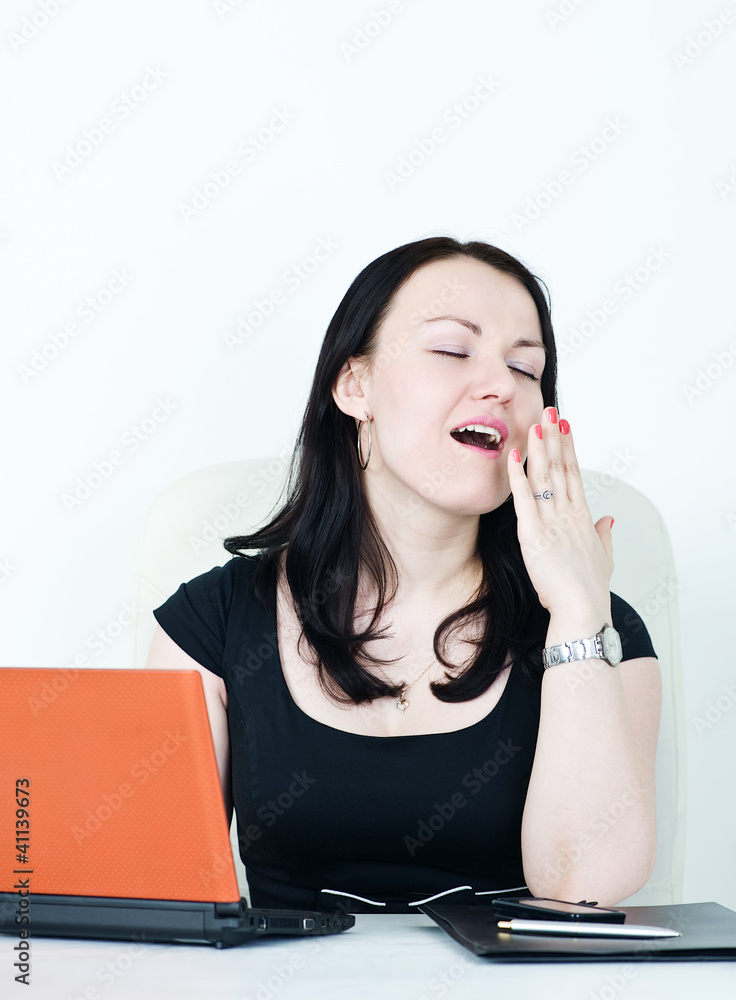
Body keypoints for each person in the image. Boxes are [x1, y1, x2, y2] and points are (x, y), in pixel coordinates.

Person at [147, 236, 661, 913]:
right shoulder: (213, 623)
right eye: (452, 350)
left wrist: (576, 614)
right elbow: (155, 897)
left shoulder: (601, 628)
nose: (501, 386)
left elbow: (583, 888)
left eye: (525, 367)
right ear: (354, 386)